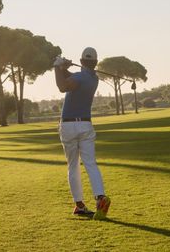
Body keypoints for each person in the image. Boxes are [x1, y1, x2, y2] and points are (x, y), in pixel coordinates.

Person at [54, 47, 111, 220]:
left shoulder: (79, 77)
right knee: (90, 163)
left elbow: (62, 86)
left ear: (81, 61)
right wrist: (64, 68)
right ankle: (100, 197)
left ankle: (79, 205)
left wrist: (57, 67)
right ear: (95, 62)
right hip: (86, 125)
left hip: (69, 126)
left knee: (73, 166)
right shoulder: (94, 78)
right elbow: (74, 78)